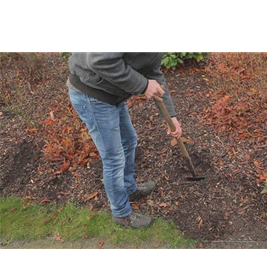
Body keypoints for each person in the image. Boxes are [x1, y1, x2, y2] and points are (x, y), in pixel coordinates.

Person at [67, 52, 182, 228]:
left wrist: (171, 116)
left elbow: (153, 73)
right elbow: (99, 60)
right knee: (113, 157)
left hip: (113, 92)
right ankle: (120, 213)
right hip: (91, 93)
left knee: (129, 142)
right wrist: (143, 85)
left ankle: (129, 188)